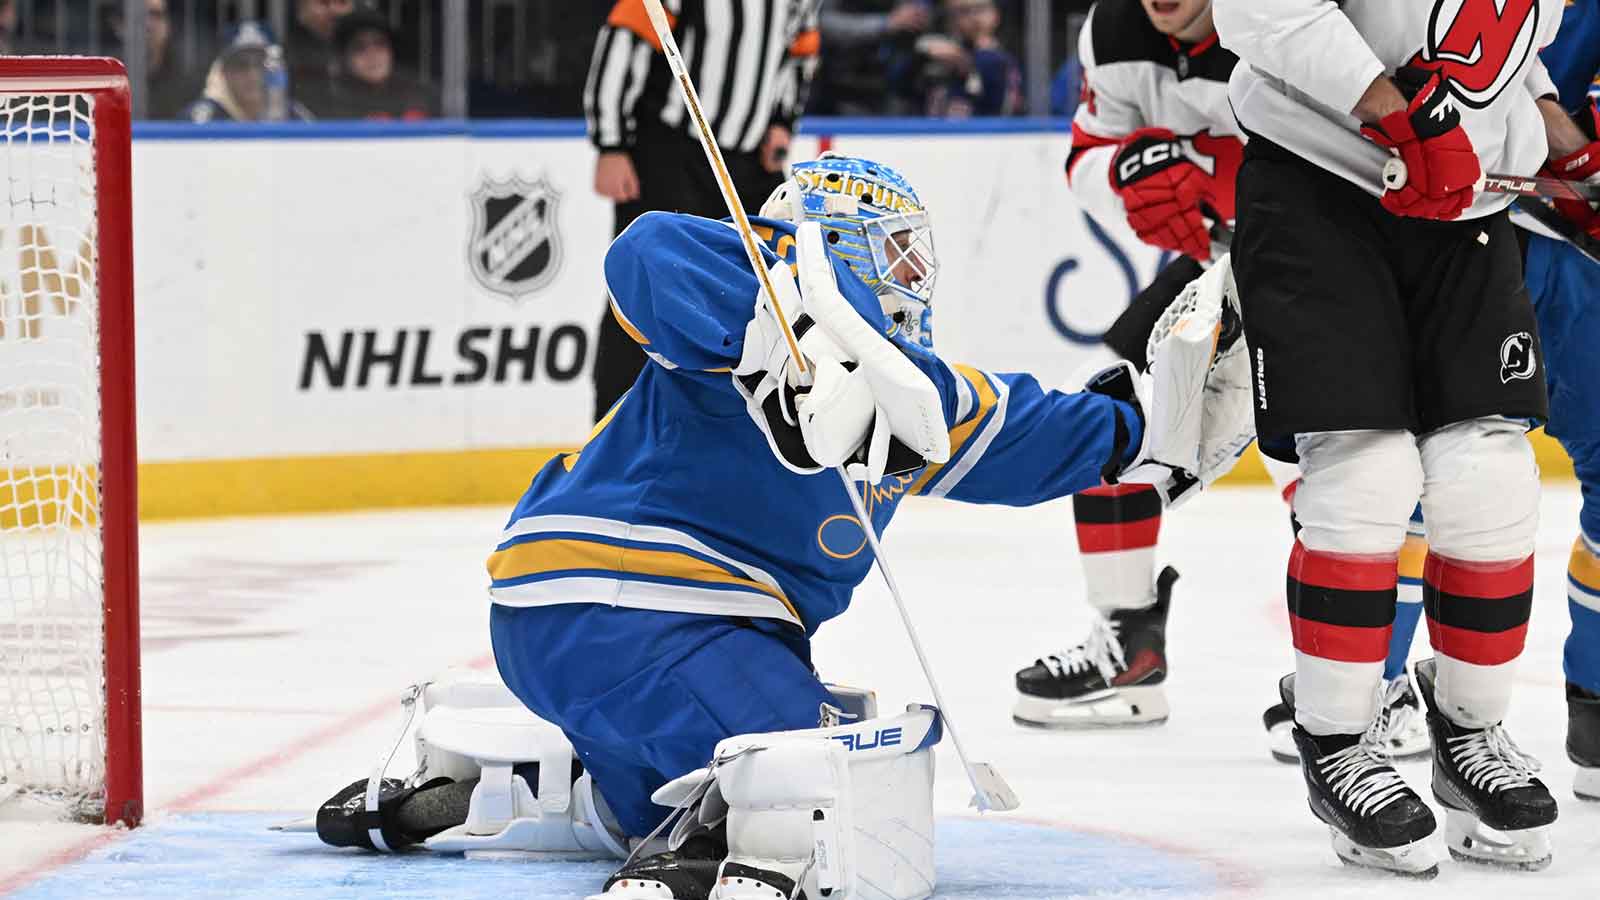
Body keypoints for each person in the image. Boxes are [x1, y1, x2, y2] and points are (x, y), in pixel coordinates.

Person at [288, 154, 1248, 899]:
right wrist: (778, 338)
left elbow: (1031, 430)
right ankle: (705, 840)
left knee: (678, 776)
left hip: (567, 625)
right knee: (822, 767)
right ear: (843, 248)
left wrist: (1148, 434)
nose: (917, 275)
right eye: (899, 249)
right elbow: (646, 252)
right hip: (652, 607)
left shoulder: (918, 397)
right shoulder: (742, 303)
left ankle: (522, 788)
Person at [1216, 0, 1570, 876]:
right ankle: (1337, 742)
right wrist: (1395, 111)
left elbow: (1499, 46)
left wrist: (1564, 137)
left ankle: (1471, 731)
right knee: (1364, 473)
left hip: (1470, 206)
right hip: (1320, 186)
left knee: (1490, 476)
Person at [1012, 0, 1263, 729]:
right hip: (1215, 262)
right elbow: (1089, 151)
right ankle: (1129, 649)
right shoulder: (1113, 28)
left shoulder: (1275, 20)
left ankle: (1379, 682)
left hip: (1311, 263)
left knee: (1328, 464)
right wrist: (1127, 173)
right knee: (1114, 419)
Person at [585, 0, 820, 423]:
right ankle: (613, 429)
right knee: (645, 293)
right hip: (672, 150)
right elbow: (628, 36)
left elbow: (799, 49)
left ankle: (738, 433)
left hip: (750, 164)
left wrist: (782, 120)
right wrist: (612, 143)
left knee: (770, 295)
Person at [810, 0, 932, 115]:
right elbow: (822, 22)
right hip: (840, 88)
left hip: (893, 88)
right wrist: (885, 23)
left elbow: (920, 17)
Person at [181, 21, 312, 123]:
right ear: (224, 72)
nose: (252, 75)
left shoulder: (295, 117)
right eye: (241, 65)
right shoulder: (203, 119)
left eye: (261, 64)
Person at [321, 9, 433, 120]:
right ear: (345, 58)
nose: (372, 55)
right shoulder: (333, 105)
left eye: (380, 44)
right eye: (359, 47)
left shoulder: (420, 97)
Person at [921, 0, 1021, 117]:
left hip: (989, 131)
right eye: (964, 11)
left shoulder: (998, 60)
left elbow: (985, 71)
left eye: (980, 9)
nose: (974, 17)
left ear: (996, 14)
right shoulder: (940, 56)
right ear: (951, 19)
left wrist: (961, 61)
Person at [107, 0, 200, 119]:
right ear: (118, 25)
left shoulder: (187, 81)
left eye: (156, 15)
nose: (148, 24)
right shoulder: (104, 78)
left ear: (169, 24)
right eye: (139, 16)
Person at [284, 0, 353, 116]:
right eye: (323, 3)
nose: (334, 10)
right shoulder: (284, 58)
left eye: (342, 2)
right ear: (301, 9)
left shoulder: (375, 52)